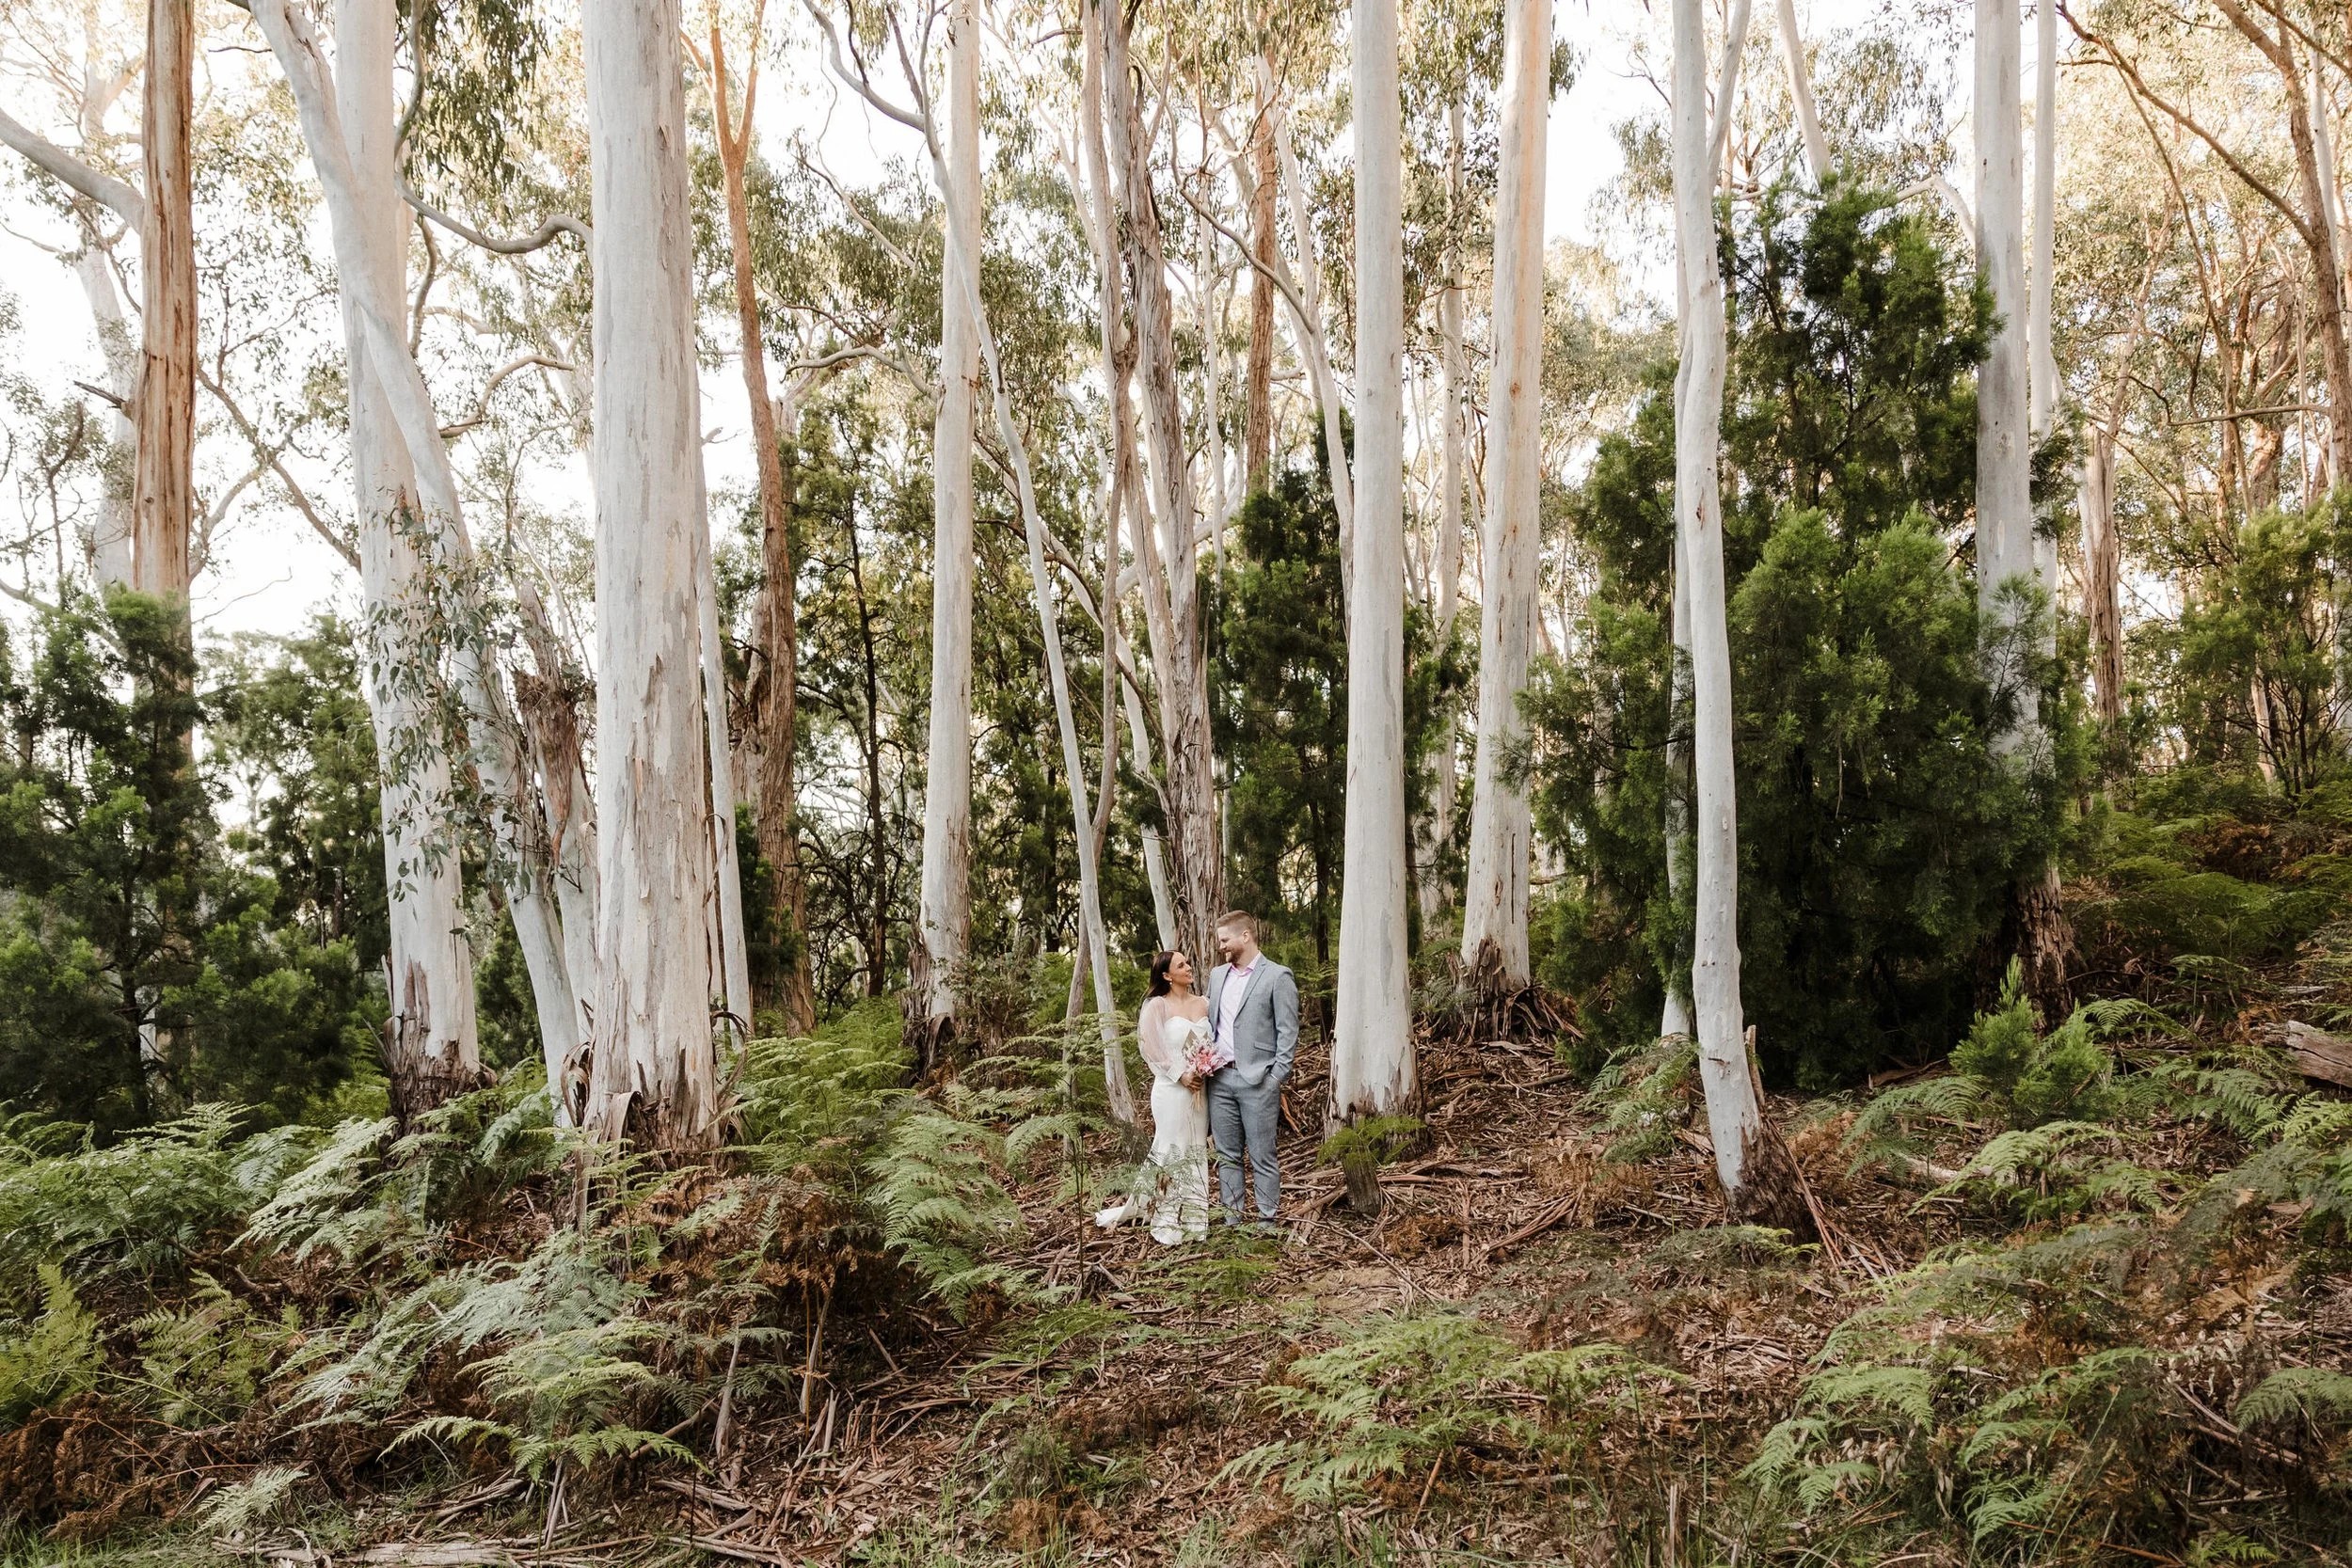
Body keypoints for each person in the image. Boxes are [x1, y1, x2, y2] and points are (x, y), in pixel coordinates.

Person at [1093, 949, 1212, 1244]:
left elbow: (1212, 1042)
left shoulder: (1205, 1003)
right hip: (1172, 1090)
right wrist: (1181, 1075)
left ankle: (1196, 1219)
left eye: (1188, 962)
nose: (1188, 967)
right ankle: (1168, 1219)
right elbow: (1150, 1049)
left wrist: (1205, 1068)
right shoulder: (1157, 1006)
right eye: (1181, 965)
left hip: (1200, 1089)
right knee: (1171, 1150)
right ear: (1167, 975)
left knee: (1196, 1149)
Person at [1204, 910, 1298, 1227]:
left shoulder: (1277, 976)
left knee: (1263, 1155)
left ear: (1246, 936)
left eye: (1225, 939)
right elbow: (1210, 1024)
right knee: (1227, 1156)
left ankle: (1267, 1223)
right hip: (1219, 1080)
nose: (1221, 946)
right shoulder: (1217, 976)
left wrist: (1276, 1077)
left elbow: (1288, 1031)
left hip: (1259, 1081)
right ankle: (1233, 1224)